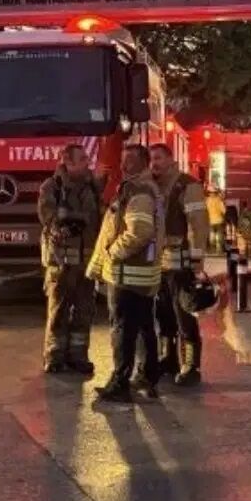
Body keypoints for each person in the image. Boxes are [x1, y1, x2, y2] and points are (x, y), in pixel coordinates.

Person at [88, 144, 163, 403]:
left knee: (123, 331)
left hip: (127, 275)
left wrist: (113, 252)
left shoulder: (139, 191)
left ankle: (120, 383)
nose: (123, 165)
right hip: (138, 275)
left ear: (143, 162)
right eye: (122, 159)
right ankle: (147, 376)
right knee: (143, 328)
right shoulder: (141, 188)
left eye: (130, 160)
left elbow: (140, 232)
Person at [146, 143, 210, 387]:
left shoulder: (187, 185)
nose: (154, 163)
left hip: (181, 265)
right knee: (163, 315)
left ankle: (191, 366)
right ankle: (168, 359)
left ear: (171, 159)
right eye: (151, 159)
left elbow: (198, 225)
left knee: (184, 316)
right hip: (159, 266)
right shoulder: (151, 187)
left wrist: (196, 260)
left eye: (159, 158)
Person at [37, 144, 103, 375]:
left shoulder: (92, 186)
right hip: (61, 261)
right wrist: (69, 223)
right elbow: (49, 217)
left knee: (85, 310)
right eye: (82, 159)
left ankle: (79, 356)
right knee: (59, 310)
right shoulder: (51, 187)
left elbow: (100, 218)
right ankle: (54, 356)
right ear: (68, 162)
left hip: (87, 262)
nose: (87, 162)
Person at [206, 189, 227, 253]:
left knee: (211, 234)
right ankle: (219, 249)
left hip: (210, 221)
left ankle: (212, 249)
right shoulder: (219, 200)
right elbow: (224, 211)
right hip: (219, 220)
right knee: (219, 234)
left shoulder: (207, 201)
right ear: (216, 193)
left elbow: (205, 211)